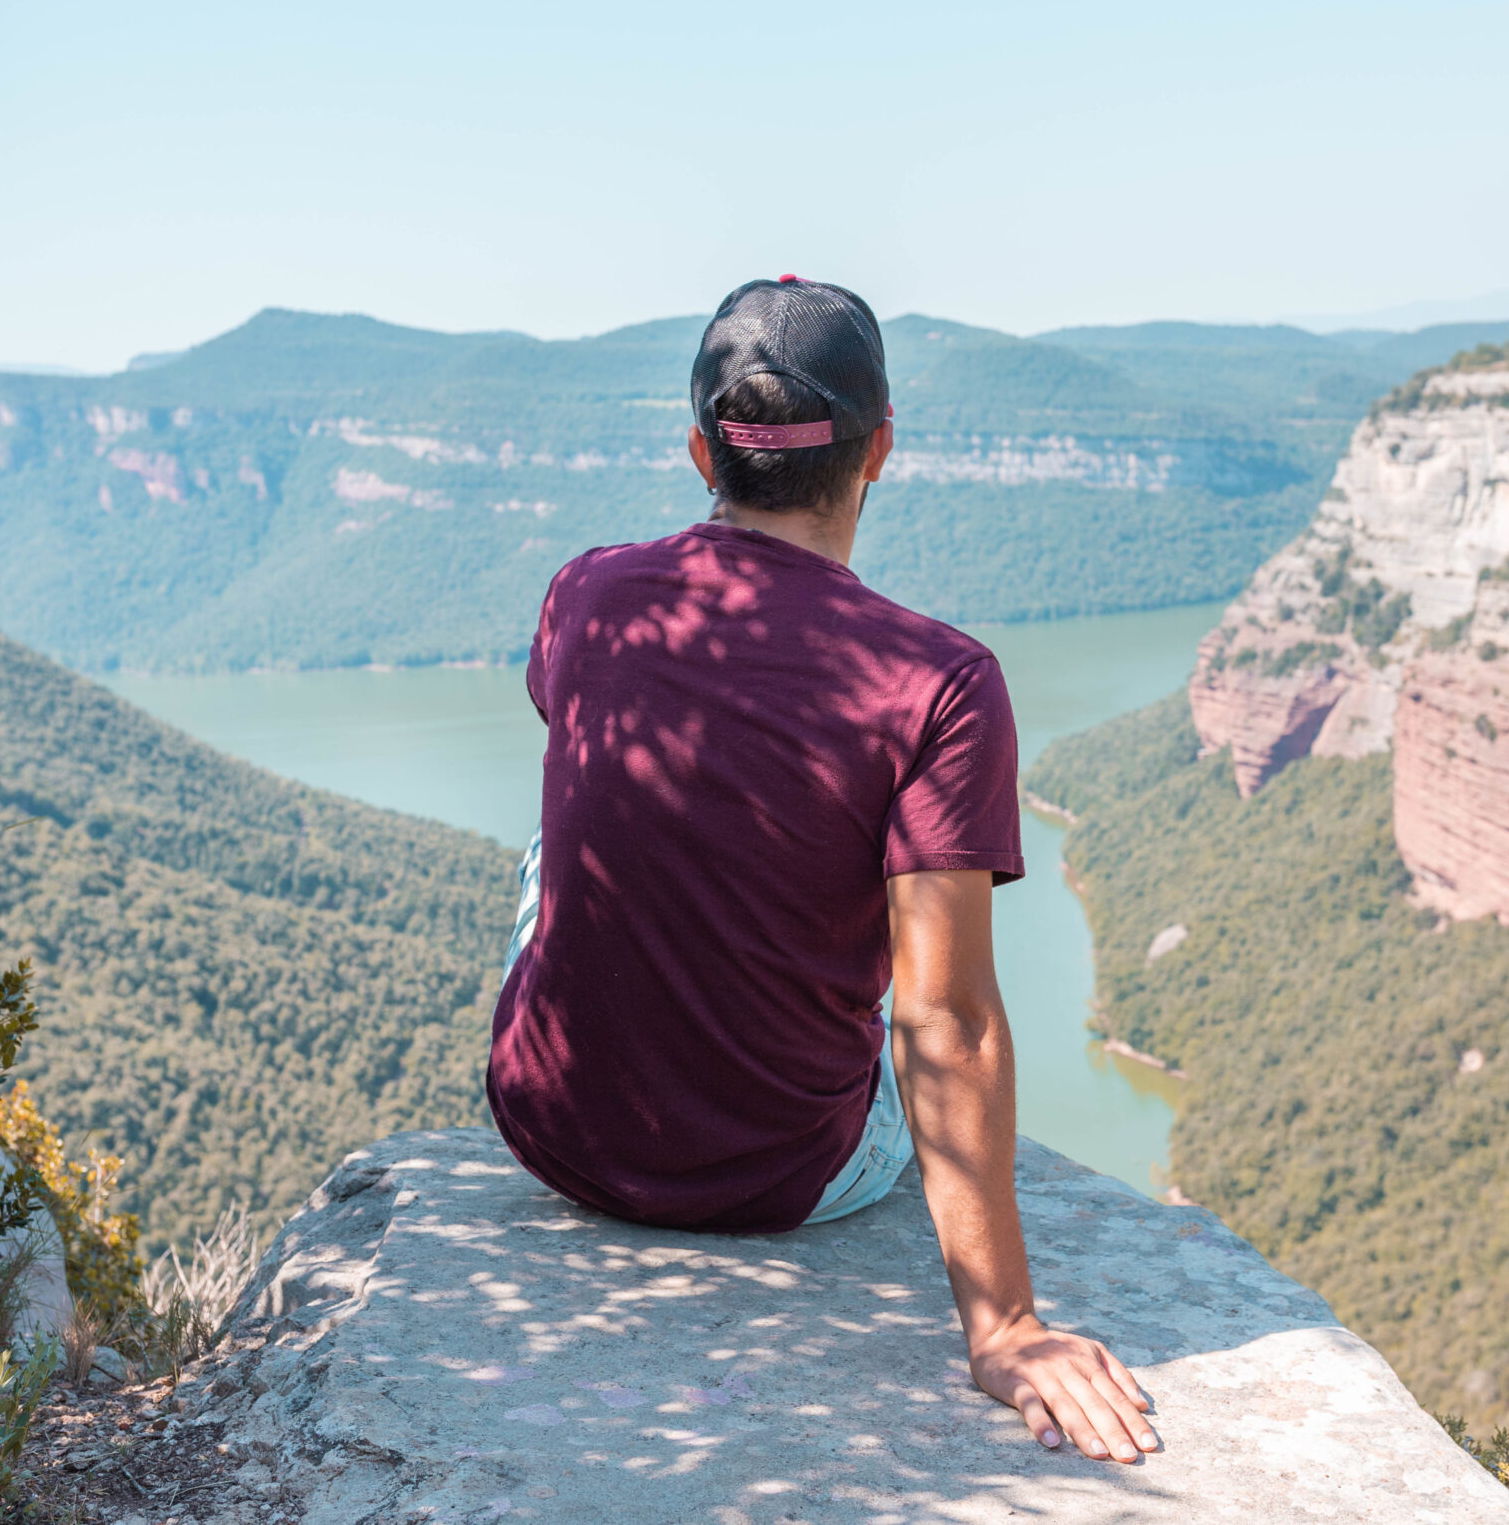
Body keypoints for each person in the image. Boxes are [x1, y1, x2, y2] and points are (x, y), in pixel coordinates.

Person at [486, 276, 1159, 1464]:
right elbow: (943, 1017)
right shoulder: (940, 683)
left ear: (700, 449)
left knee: (555, 837)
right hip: (788, 1178)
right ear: (880, 452)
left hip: (555, 1134)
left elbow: (588, 736)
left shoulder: (583, 592)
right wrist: (1004, 1329)